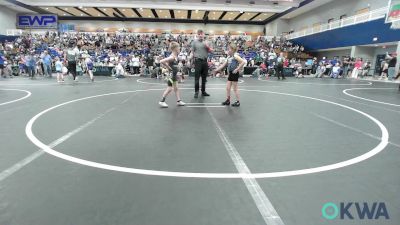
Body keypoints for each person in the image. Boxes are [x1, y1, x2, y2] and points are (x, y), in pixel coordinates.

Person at [214, 43, 246, 107]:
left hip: (234, 73)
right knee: (228, 88)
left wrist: (237, 69)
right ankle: (228, 100)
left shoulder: (235, 56)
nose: (228, 50)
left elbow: (243, 62)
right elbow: (223, 65)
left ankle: (238, 102)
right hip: (230, 73)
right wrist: (216, 70)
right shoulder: (229, 57)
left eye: (229, 49)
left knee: (235, 89)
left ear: (232, 50)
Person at [158, 42, 186, 108]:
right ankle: (162, 101)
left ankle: (179, 101)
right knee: (170, 88)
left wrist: (176, 68)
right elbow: (161, 61)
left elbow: (174, 65)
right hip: (171, 75)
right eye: (179, 47)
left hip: (174, 74)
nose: (179, 49)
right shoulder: (172, 57)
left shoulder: (175, 56)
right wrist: (169, 68)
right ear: (175, 49)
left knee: (176, 88)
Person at [191, 29, 211, 98]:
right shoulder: (194, 42)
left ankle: (203, 91)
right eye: (198, 34)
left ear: (203, 34)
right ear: (197, 35)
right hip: (198, 61)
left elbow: (211, 51)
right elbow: (192, 52)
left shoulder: (207, 42)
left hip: (205, 61)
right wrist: (192, 61)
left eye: (201, 34)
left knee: (204, 78)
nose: (200, 35)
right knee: (197, 78)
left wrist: (207, 46)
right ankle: (196, 92)